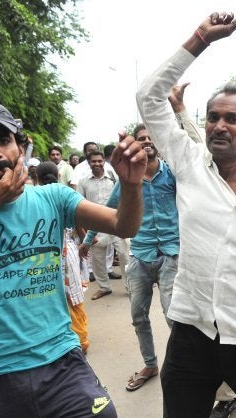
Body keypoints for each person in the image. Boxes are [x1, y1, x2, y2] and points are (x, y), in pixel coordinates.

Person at [0, 101, 146, 417]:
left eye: (3, 140)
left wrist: (131, 186)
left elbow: (124, 225)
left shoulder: (53, 197)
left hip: (61, 362)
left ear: (20, 147)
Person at [136, 12, 236, 417]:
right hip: (193, 333)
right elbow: (148, 97)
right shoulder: (188, 163)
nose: (220, 126)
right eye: (213, 117)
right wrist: (200, 39)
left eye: (232, 118)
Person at [82, 123, 179, 393]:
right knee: (138, 315)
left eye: (150, 138)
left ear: (158, 142)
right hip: (140, 255)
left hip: (172, 254)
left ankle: (184, 366)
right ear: (135, 144)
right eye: (141, 139)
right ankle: (150, 364)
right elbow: (107, 211)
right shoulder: (128, 182)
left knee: (174, 316)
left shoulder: (173, 175)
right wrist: (88, 241)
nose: (146, 142)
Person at [36, 161, 90, 354]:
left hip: (45, 256)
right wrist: (85, 242)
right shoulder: (64, 195)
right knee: (74, 296)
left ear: (37, 179)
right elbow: (79, 222)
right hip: (69, 253)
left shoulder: (34, 199)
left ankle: (63, 339)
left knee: (52, 297)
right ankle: (81, 339)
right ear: (59, 175)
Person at [77, 150, 123, 300]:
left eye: (99, 161)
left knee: (125, 255)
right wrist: (84, 234)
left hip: (117, 223)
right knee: (97, 260)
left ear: (104, 161)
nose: (96, 164)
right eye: (93, 161)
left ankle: (133, 287)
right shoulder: (83, 181)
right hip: (95, 226)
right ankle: (104, 288)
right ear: (88, 163)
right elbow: (78, 206)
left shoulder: (113, 177)